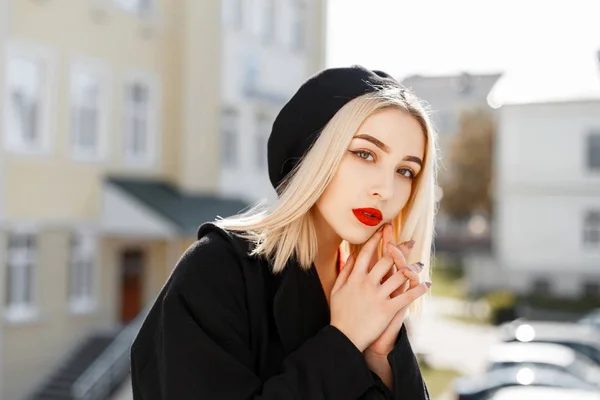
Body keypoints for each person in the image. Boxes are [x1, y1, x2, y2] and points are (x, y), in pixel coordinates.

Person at [130, 65, 438, 399]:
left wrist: (382, 358)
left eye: (405, 171)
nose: (386, 189)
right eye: (365, 154)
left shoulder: (369, 294)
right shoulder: (216, 271)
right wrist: (344, 340)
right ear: (315, 153)